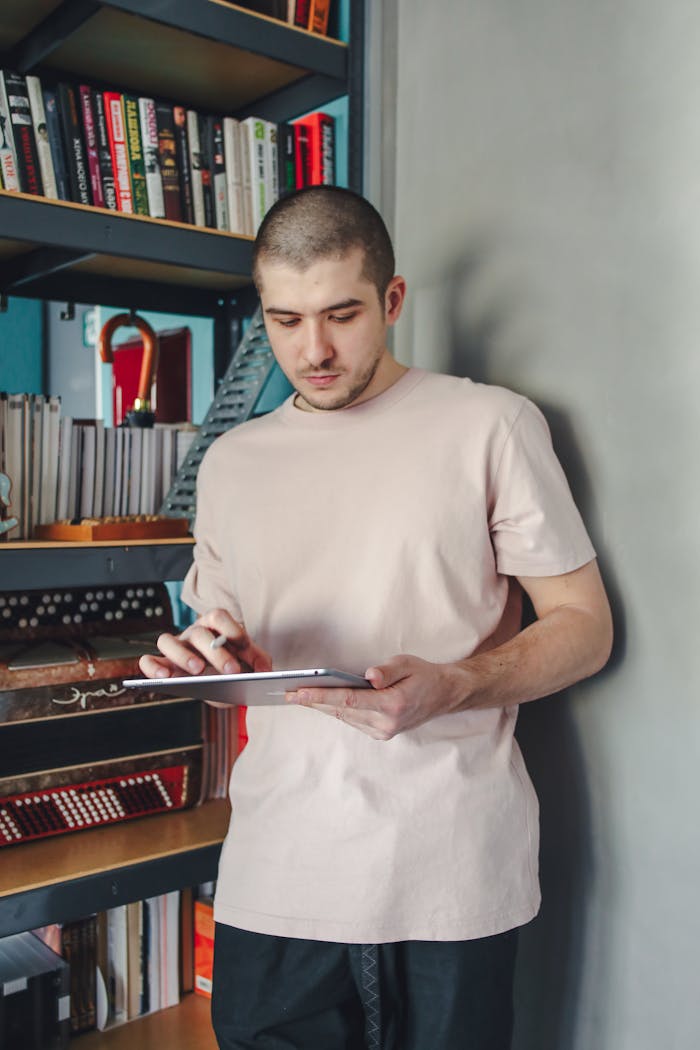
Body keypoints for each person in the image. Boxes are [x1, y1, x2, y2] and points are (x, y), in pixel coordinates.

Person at [140, 186, 613, 1050]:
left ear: (392, 301)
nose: (312, 350)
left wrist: (462, 681)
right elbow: (229, 676)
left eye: (341, 314)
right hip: (278, 872)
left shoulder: (491, 425)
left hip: (450, 874)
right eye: (284, 320)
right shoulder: (231, 465)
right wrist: (211, 667)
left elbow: (585, 625)